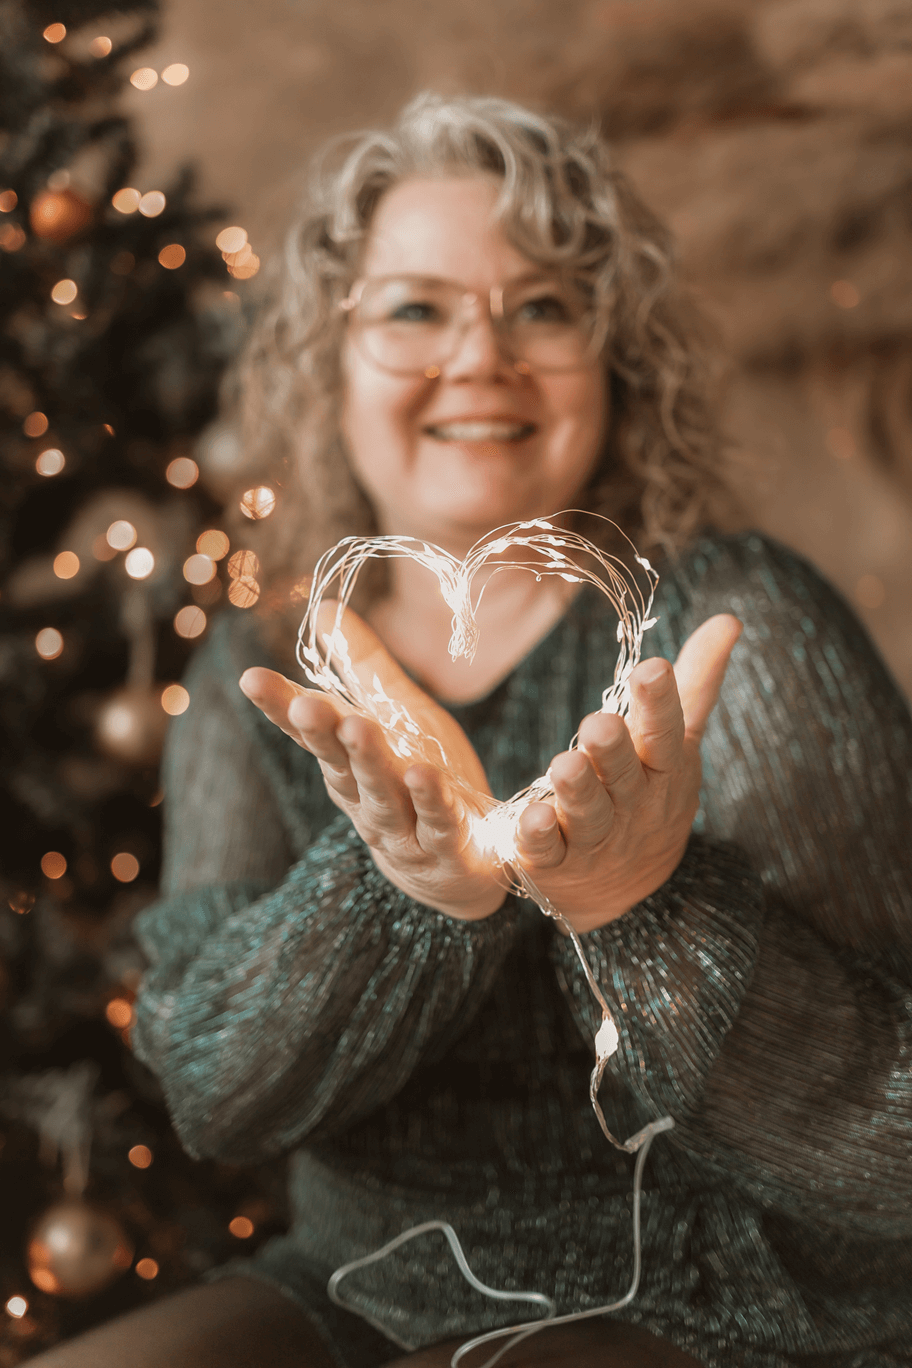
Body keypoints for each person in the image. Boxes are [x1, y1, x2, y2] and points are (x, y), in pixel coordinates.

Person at [33, 94, 912, 1368]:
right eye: (414, 308)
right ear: (328, 356)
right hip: (355, 1287)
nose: (480, 356)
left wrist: (643, 906)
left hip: (708, 1302)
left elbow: (896, 1153)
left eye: (544, 305)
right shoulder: (262, 660)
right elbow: (219, 1098)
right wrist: (401, 894)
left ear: (615, 359)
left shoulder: (736, 618)